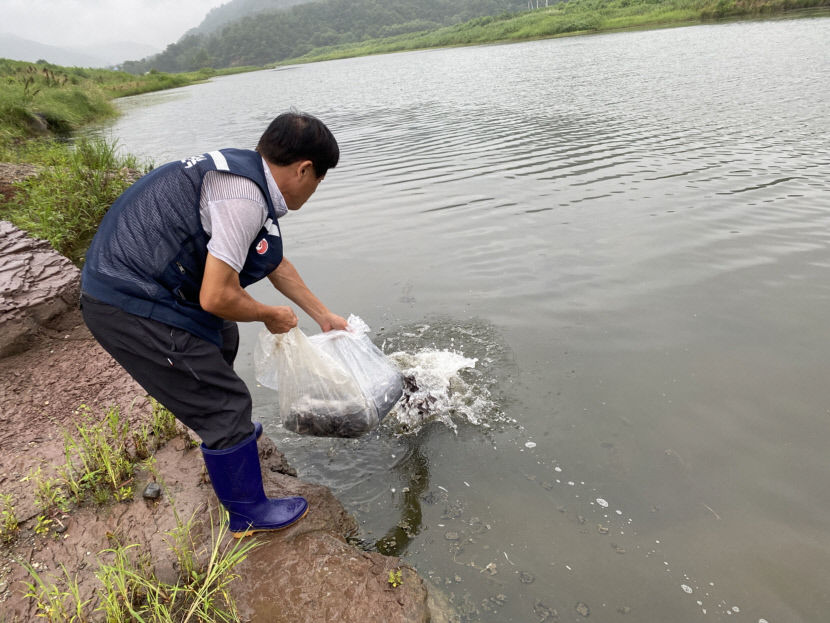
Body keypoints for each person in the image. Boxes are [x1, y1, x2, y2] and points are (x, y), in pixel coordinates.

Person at [80, 111, 347, 537]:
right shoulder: (243, 198)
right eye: (319, 180)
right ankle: (248, 513)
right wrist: (269, 313)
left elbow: (273, 262)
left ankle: (225, 439)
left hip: (153, 286)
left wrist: (324, 316)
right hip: (128, 301)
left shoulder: (244, 175)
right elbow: (216, 296)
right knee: (226, 403)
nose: (314, 190)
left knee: (222, 334)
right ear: (304, 169)